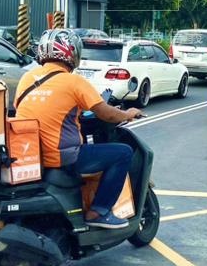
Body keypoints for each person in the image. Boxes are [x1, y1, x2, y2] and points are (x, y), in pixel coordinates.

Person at [14, 29, 145, 230]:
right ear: (72, 52)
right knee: (123, 153)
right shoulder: (73, 81)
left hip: (31, 156)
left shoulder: (27, 78)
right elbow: (107, 114)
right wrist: (127, 114)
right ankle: (99, 212)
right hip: (62, 157)